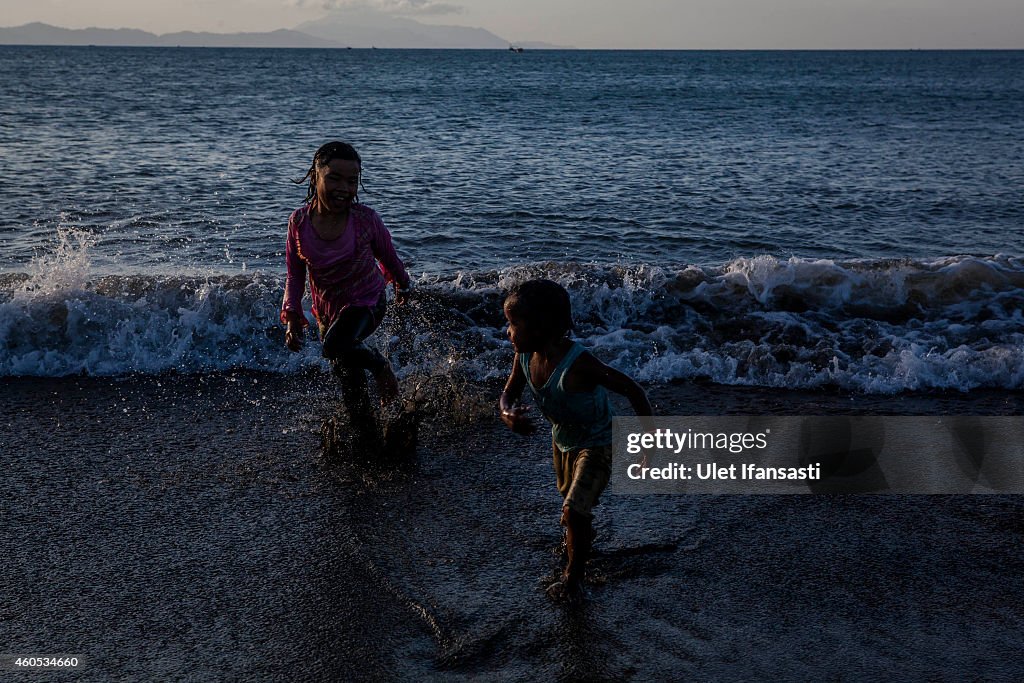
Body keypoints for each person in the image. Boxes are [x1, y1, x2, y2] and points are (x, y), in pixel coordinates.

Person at [498, 279, 653, 602]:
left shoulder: (579, 364)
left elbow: (632, 389)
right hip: (563, 442)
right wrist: (508, 414)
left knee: (574, 510)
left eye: (514, 324)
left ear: (541, 327)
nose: (508, 332)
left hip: (599, 443)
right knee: (571, 507)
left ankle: (573, 579)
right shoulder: (525, 357)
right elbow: (508, 395)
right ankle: (580, 539)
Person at [281, 141, 411, 409]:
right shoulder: (299, 223)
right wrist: (293, 317)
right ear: (316, 176)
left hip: (368, 302)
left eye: (352, 181)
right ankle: (366, 432)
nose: (344, 189)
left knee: (334, 346)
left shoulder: (365, 220)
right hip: (328, 311)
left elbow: (389, 257)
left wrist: (404, 285)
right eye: (334, 179)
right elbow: (295, 275)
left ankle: (380, 366)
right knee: (348, 377)